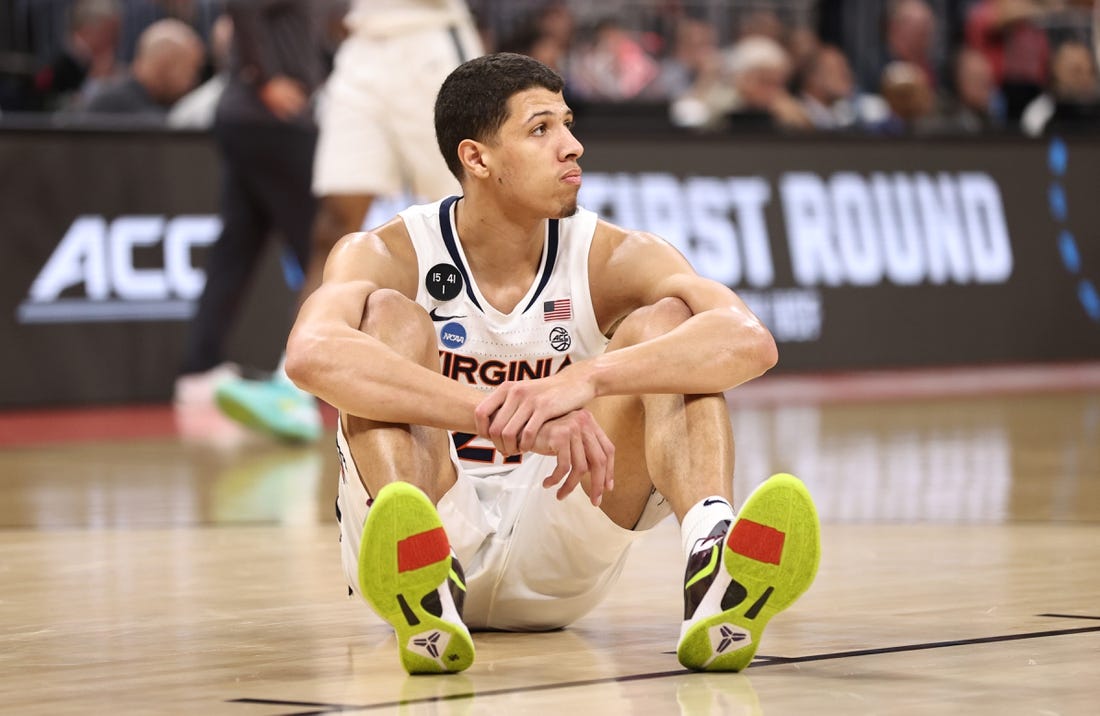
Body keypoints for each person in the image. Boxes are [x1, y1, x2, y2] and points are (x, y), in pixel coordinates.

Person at [284, 52, 821, 675]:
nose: (572, 147)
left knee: (669, 329)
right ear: (476, 158)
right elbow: (311, 355)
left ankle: (713, 562)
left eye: (567, 124)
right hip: (435, 513)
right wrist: (504, 416)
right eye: (541, 130)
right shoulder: (386, 251)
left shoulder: (615, 256)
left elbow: (749, 342)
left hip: (561, 526)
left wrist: (584, 379)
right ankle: (419, 570)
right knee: (386, 320)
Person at [212, 0, 483, 442]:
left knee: (466, 214)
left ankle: (495, 369)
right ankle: (291, 387)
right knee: (333, 223)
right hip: (362, 49)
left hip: (429, 39)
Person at [174, 0, 327, 440]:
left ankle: (199, 368)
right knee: (324, 252)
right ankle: (300, 381)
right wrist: (265, 79)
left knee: (237, 249)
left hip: (247, 119)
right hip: (270, 120)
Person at [80, 17, 203, 120]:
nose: (193, 81)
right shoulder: (112, 104)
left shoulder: (162, 103)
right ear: (164, 65)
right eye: (190, 69)